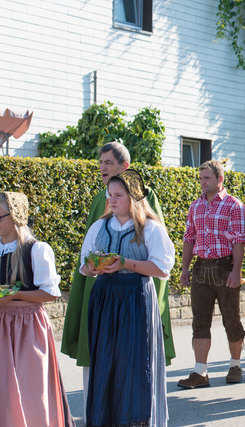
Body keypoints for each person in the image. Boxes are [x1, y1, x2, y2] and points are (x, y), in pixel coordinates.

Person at [61, 141, 175, 420]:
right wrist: (91, 268)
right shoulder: (100, 226)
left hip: (136, 298)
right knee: (105, 363)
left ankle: (136, 421)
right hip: (105, 299)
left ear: (133, 197)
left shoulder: (150, 228)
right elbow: (83, 267)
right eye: (110, 195)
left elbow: (162, 268)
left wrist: (126, 263)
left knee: (134, 364)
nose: (111, 200)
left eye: (118, 195)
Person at [0, 192, 74, 427]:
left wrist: (16, 295)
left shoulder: (35, 250)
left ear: (14, 217)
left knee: (29, 389)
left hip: (26, 326)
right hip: (2, 324)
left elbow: (51, 293)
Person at [178, 160, 245, 388]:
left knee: (231, 320)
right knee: (200, 321)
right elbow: (189, 238)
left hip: (224, 267)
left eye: (207, 178)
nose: (202, 182)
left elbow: (239, 241)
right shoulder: (195, 206)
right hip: (201, 268)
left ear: (220, 179)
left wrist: (236, 271)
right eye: (200, 178)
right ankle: (200, 372)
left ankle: (235, 365)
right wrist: (185, 269)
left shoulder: (233, 205)